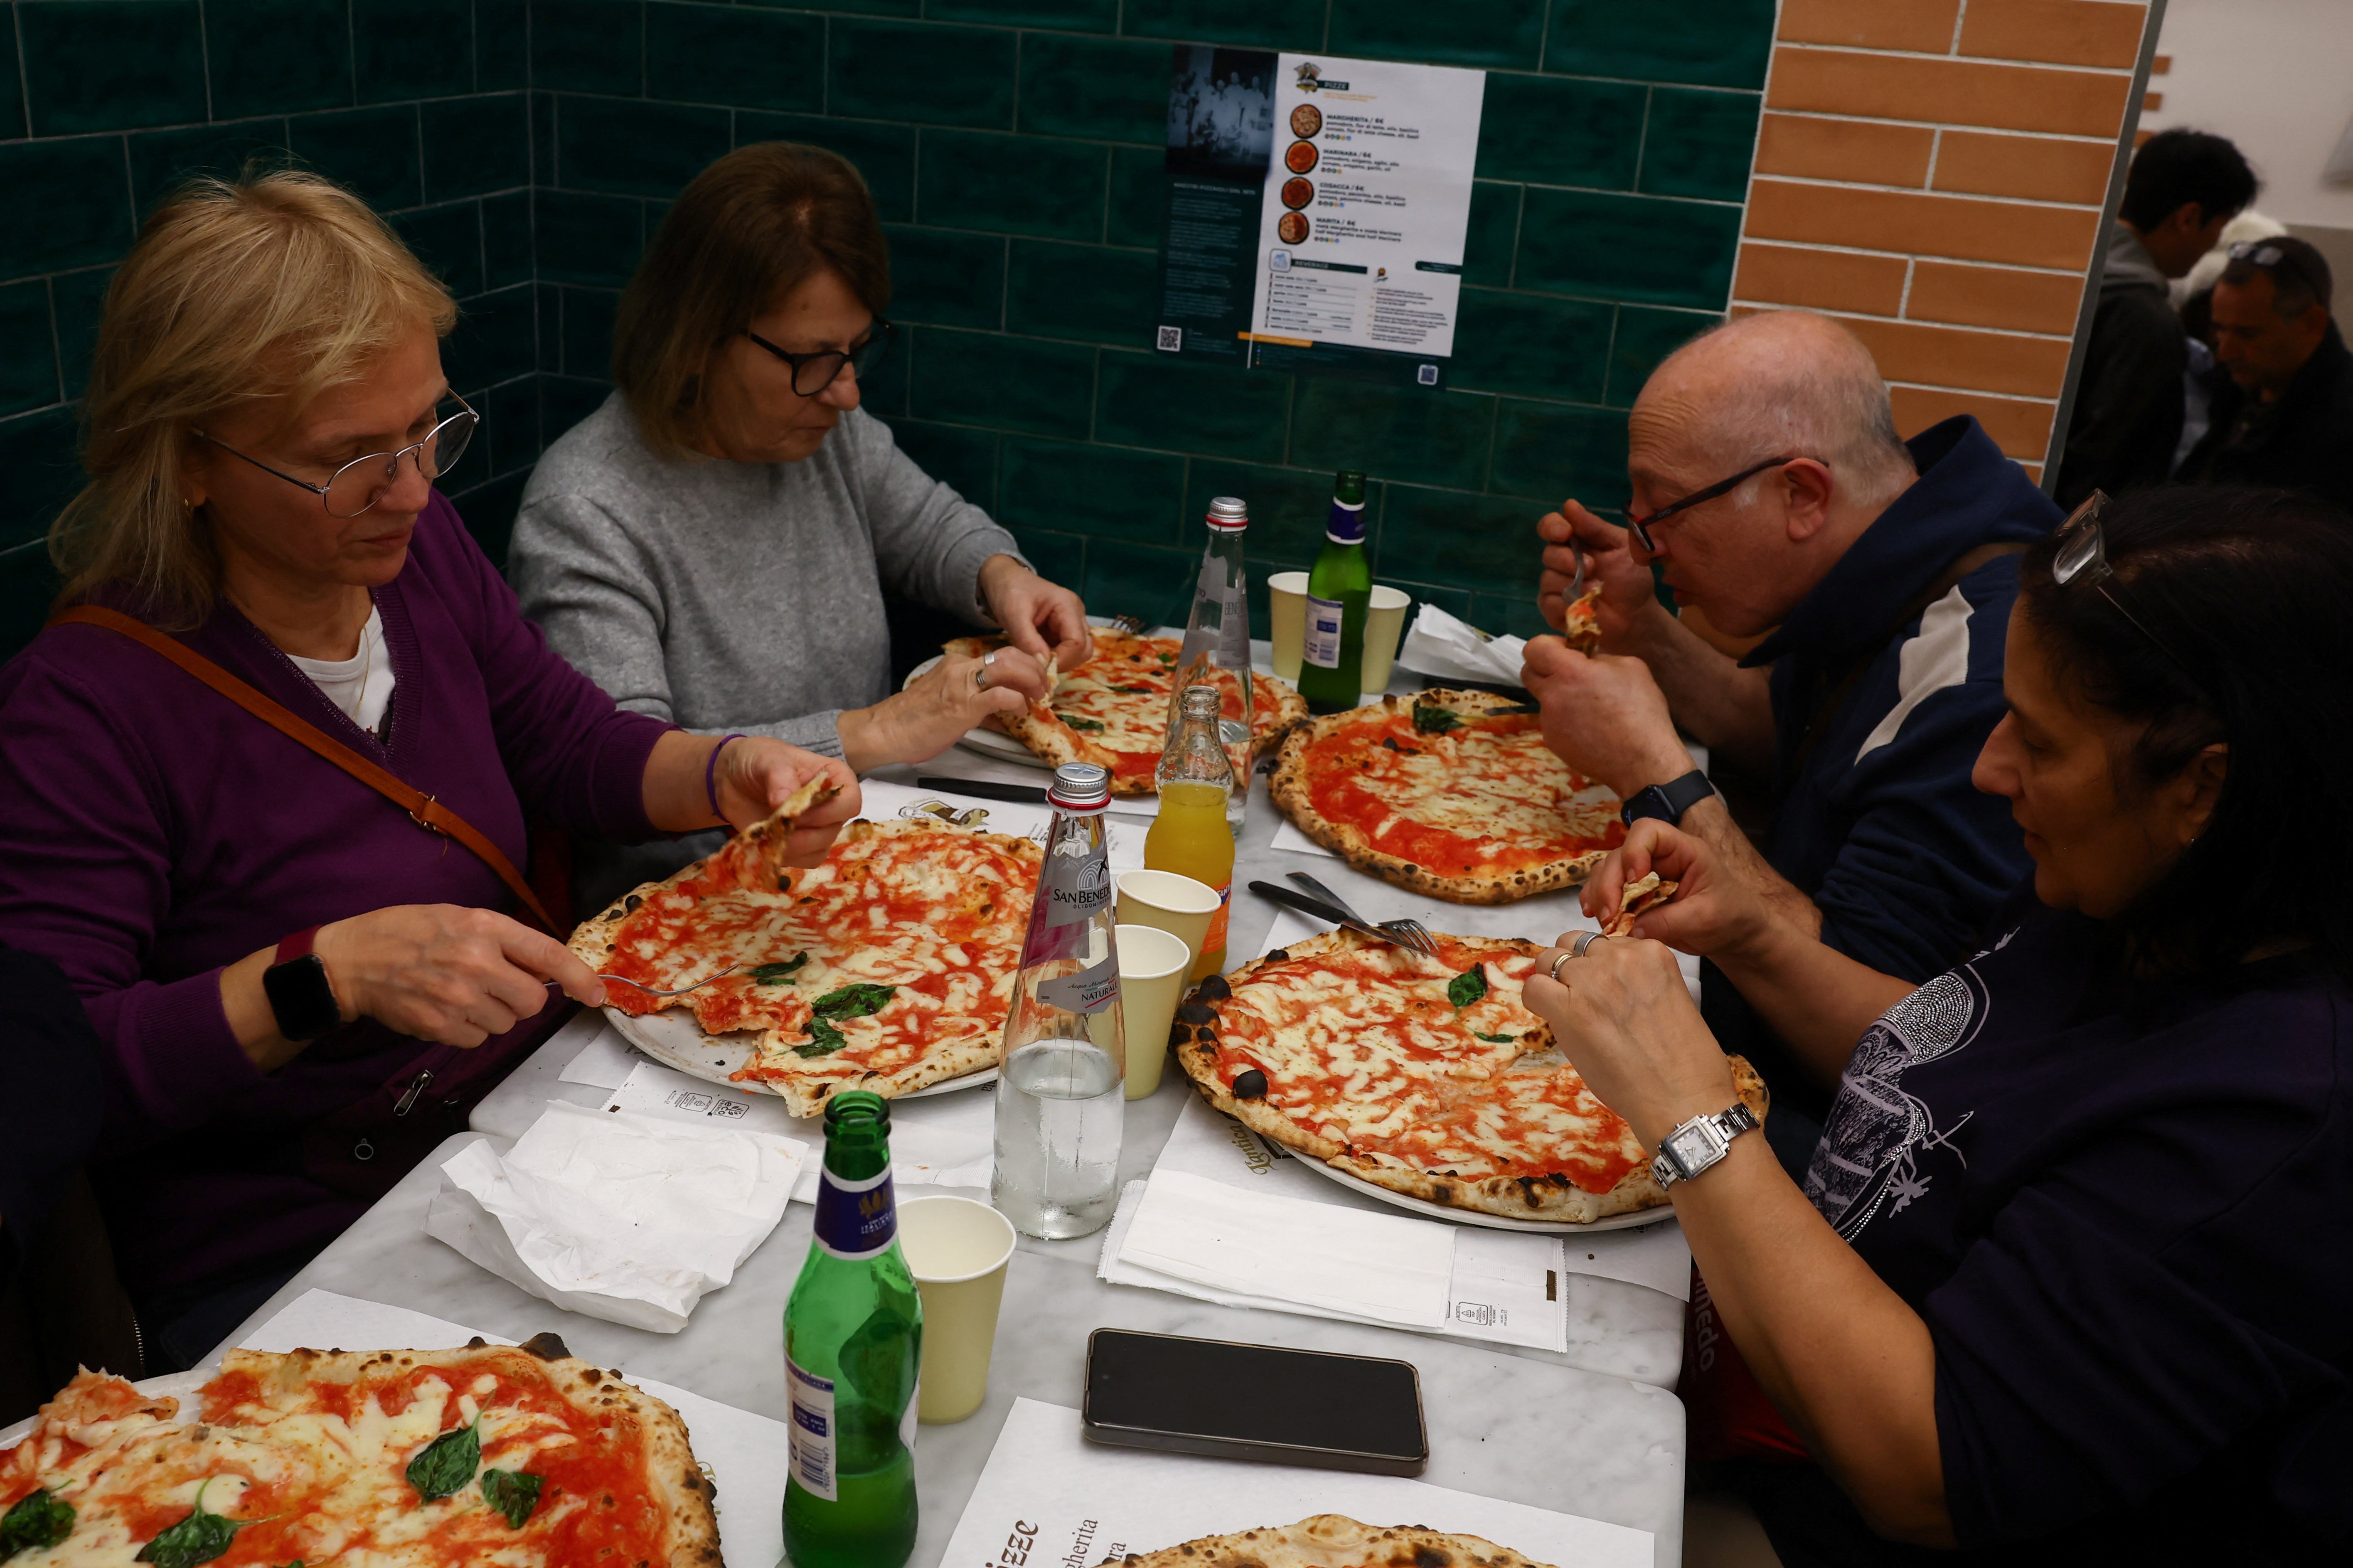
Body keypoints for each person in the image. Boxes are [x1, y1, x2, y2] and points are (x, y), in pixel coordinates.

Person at [0, 172, 858, 1371]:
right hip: (296, 1251)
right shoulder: (85, 705)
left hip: (535, 1124)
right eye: (349, 456)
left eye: (428, 427)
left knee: (838, 1295)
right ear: (186, 461)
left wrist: (731, 772)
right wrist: (324, 975)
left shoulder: (417, 552)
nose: (414, 486)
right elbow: (61, 1073)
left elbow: (569, 745)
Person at [1530, 485, 2353, 1563]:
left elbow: (1923, 1470)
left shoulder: (2276, 1121)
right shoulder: (2143, 887)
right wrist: (1756, 940)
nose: (1988, 767)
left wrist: (1688, 1107)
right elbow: (1946, 1058)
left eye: (2041, 742)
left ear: (2201, 787)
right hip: (1751, 1386)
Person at [1524, 310, 2059, 1162]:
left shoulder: (1984, 675)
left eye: (1662, 514)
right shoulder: (1894, 545)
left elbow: (1870, 1026)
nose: (1642, 546)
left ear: (1801, 495)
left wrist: (1652, 768)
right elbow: (1803, 746)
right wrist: (1647, 634)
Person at [511, 143, 1087, 910]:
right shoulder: (585, 508)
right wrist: (876, 732)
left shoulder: (820, 432)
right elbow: (619, 779)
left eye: (855, 352)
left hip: (867, 872)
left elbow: (932, 525)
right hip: (700, 916)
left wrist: (1003, 576)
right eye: (816, 359)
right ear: (697, 338)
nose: (846, 393)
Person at [2054, 128, 2257, 507]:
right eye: (2219, 226)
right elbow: (2105, 468)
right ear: (2189, 218)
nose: (2216, 241)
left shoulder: (2063, 276)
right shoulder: (2146, 322)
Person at [2179, 236, 2353, 511]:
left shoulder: (2339, 427)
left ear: (2311, 324)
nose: (2225, 352)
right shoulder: (2232, 392)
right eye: (2220, 330)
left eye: (2247, 334)